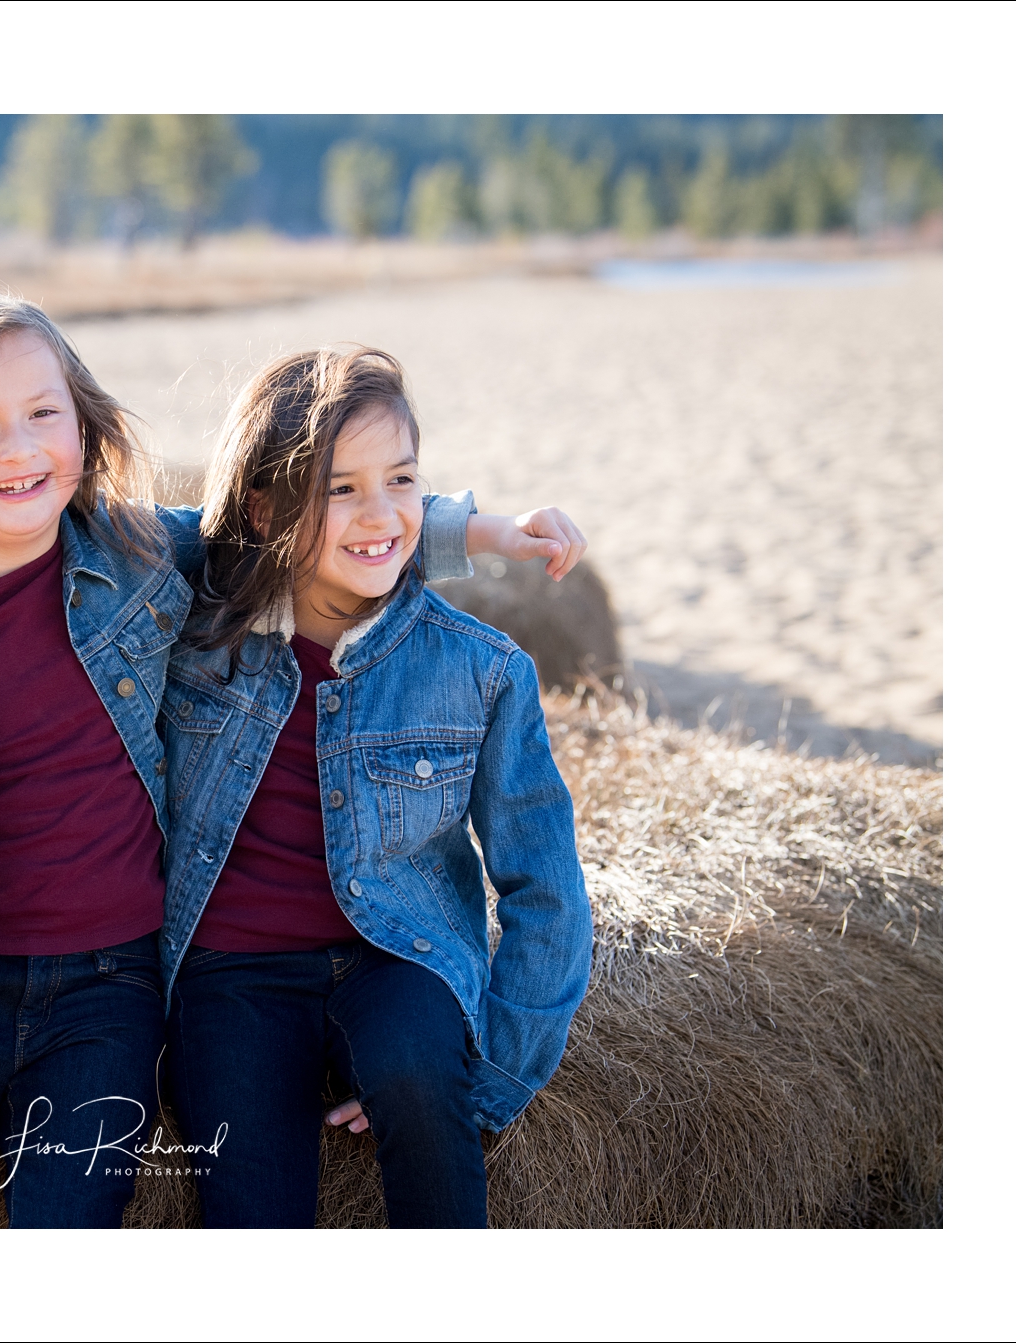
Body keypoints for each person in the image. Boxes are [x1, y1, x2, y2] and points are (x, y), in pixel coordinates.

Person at [0, 288, 573, 1227]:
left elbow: (303, 523)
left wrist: (478, 530)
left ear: (83, 429)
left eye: (41, 415)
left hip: (109, 992)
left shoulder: (135, 565)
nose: (19, 447)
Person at [155, 346, 595, 1229]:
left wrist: (496, 1076)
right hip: (230, 971)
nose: (380, 513)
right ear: (265, 505)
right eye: (339, 487)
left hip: (398, 956)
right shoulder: (198, 619)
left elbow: (548, 890)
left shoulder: (479, 670)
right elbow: (71, 527)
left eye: (402, 479)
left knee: (415, 1067)